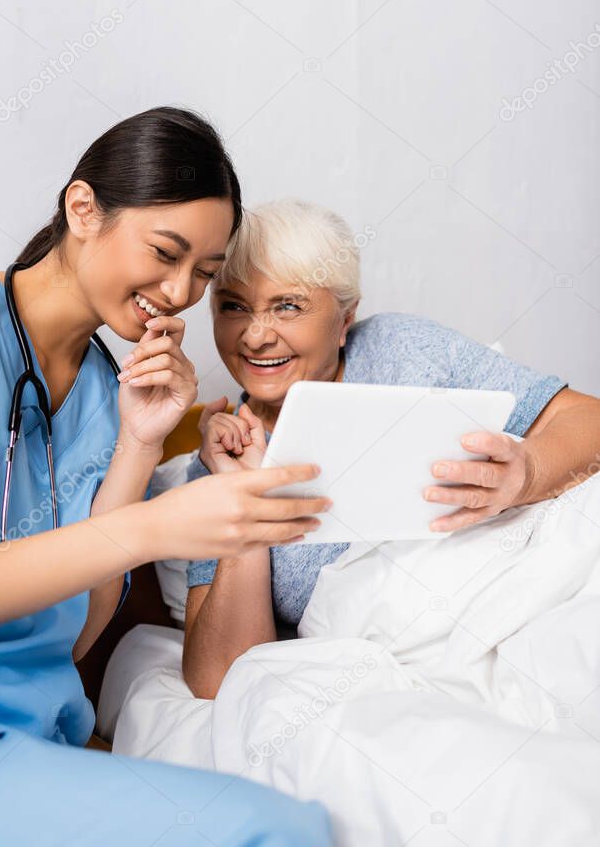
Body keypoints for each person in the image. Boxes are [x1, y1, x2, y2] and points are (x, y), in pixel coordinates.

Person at [0, 112, 333, 847]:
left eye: (203, 275)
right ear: (83, 209)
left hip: (32, 738)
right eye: (165, 253)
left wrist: (139, 446)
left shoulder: (113, 393)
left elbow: (71, 640)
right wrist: (150, 525)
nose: (177, 292)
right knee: (270, 831)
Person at [182, 198, 600, 699]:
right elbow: (217, 679)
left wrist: (526, 473)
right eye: (233, 306)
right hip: (416, 662)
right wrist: (243, 492)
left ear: (344, 320)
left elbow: (586, 419)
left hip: (534, 598)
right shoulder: (218, 463)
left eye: (287, 305)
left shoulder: (401, 349)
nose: (255, 336)